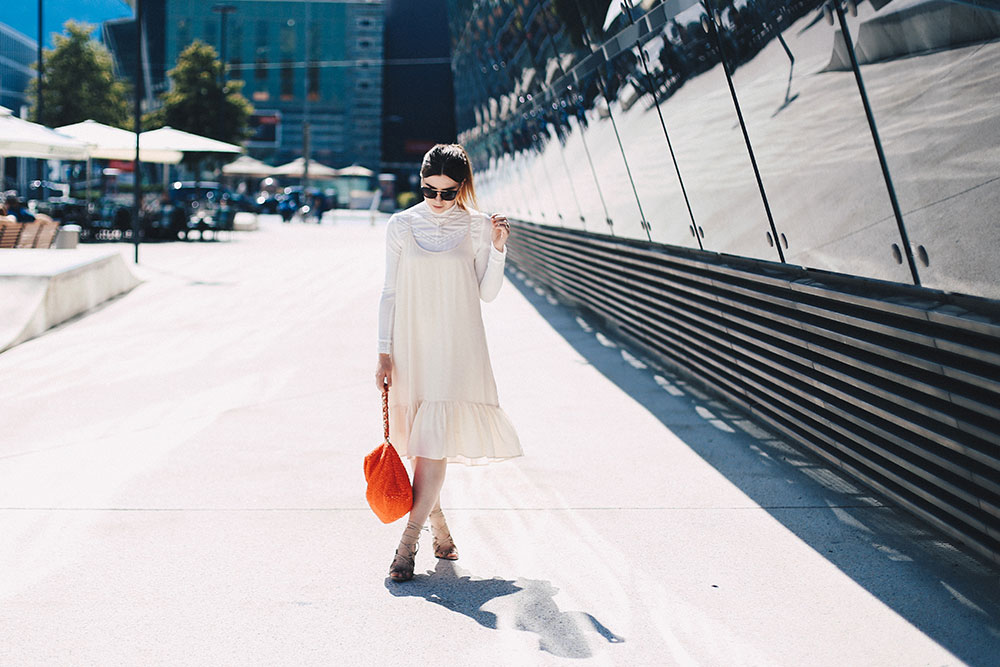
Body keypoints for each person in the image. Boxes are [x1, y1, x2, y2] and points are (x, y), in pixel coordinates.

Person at [375, 143, 521, 582]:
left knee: (432, 442)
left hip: (458, 348)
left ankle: (409, 542)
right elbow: (389, 292)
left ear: (462, 186)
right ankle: (439, 526)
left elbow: (487, 293)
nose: (437, 200)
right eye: (428, 189)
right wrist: (383, 353)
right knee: (423, 445)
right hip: (411, 346)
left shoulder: (478, 226)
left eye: (447, 191)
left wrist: (498, 249)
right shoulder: (401, 225)